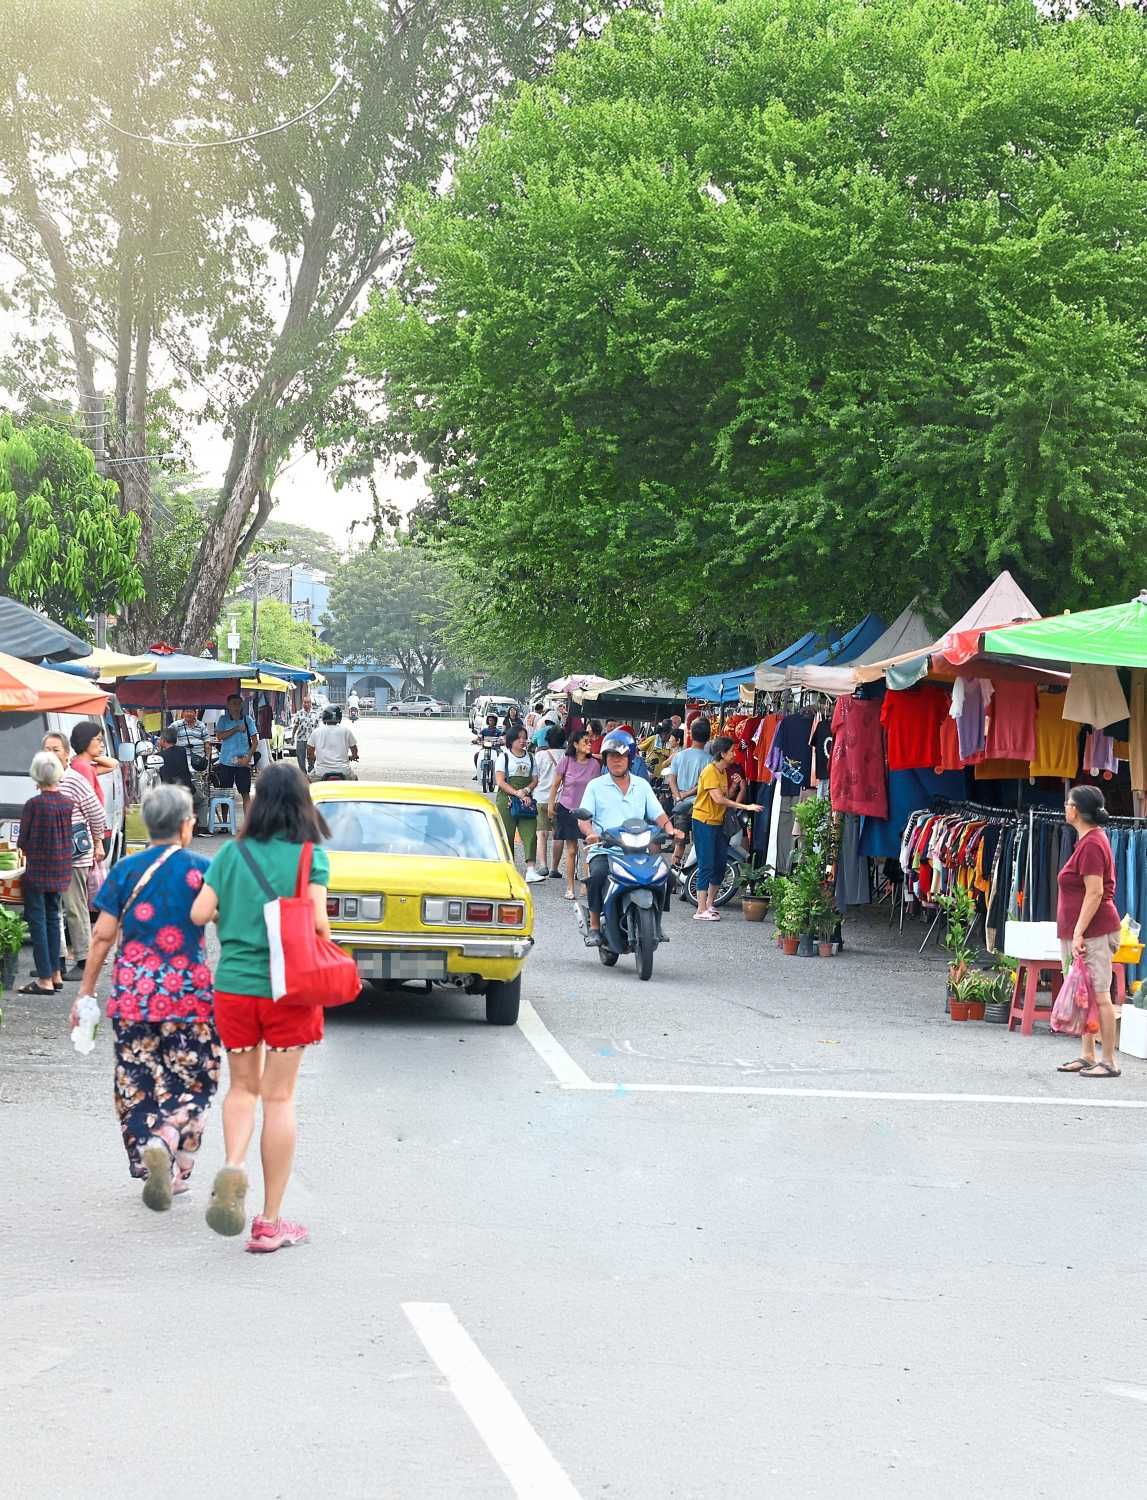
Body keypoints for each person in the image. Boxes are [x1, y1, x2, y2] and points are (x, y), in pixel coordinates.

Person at [191, 763, 334, 1252]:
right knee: (279, 1098)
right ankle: (270, 1223)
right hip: (288, 989)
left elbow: (199, 912)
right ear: (302, 803)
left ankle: (233, 1166)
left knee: (241, 1090)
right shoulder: (309, 858)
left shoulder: (232, 854)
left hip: (234, 985)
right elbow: (317, 926)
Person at [72, 785, 219, 1211]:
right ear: (186, 824)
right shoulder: (201, 870)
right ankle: (172, 1151)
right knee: (195, 1080)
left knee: (135, 1083)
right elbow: (227, 921)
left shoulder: (125, 870)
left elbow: (102, 936)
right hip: (187, 996)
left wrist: (84, 993)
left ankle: (147, 1152)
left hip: (133, 995)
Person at [577, 731, 683, 945]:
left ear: (630, 758)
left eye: (621, 756)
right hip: (605, 849)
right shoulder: (595, 786)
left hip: (637, 849)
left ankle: (655, 921)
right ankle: (595, 927)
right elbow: (583, 817)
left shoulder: (641, 785)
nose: (616, 760)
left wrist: (671, 829)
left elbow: (658, 813)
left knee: (666, 876)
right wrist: (590, 834)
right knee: (597, 876)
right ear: (605, 759)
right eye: (611, 756)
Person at [1056, 785, 1124, 1079]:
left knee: (1099, 993)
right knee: (1084, 993)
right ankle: (1088, 1054)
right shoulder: (1085, 841)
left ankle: (1109, 1060)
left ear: (1076, 810)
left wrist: (1080, 932)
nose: (1065, 808)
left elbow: (1094, 893)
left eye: (1068, 804)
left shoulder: (1093, 844)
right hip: (1082, 930)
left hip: (1093, 931)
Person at [44, 731, 107, 977]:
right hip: (51, 853)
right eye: (46, 749)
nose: (50, 754)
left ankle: (83, 961)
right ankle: (57, 960)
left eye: (56, 749)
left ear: (67, 754)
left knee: (74, 906)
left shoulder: (73, 779)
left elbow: (97, 813)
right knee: (55, 909)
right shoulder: (44, 779)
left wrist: (97, 842)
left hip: (74, 854)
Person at [16, 751, 75, 994]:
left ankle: (44, 979)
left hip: (38, 871)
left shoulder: (34, 805)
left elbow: (23, 841)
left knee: (37, 922)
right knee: (54, 919)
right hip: (61, 870)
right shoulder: (67, 804)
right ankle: (56, 973)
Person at [691, 735, 763, 920]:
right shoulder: (710, 771)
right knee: (706, 864)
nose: (734, 755)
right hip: (704, 822)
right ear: (722, 754)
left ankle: (709, 904)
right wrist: (746, 806)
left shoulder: (724, 773)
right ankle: (700, 909)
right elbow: (718, 799)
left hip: (718, 823)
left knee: (720, 864)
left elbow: (725, 796)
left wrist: (737, 787)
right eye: (731, 751)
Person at [548, 727, 601, 899]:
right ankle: (570, 887)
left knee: (588, 849)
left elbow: (596, 790)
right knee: (571, 850)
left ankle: (585, 884)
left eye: (589, 741)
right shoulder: (567, 760)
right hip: (567, 808)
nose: (588, 744)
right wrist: (550, 805)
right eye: (585, 741)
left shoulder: (594, 765)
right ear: (575, 744)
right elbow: (555, 784)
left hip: (587, 812)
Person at [495, 724, 545, 883]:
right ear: (511, 740)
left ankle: (530, 869)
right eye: (519, 738)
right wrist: (517, 793)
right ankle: (508, 869)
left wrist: (526, 791)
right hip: (507, 799)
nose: (523, 741)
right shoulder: (504, 757)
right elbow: (500, 781)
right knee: (506, 834)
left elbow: (535, 779)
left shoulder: (531, 757)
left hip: (526, 799)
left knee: (530, 832)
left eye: (524, 737)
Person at [214, 693, 258, 816]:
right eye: (233, 704)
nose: (236, 706)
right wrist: (236, 729)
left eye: (238, 704)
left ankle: (248, 823)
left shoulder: (247, 719)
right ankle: (224, 822)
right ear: (228, 705)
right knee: (225, 793)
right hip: (226, 761)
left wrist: (248, 758)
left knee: (245, 793)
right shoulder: (223, 720)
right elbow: (219, 736)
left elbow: (255, 741)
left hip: (243, 761)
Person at [533, 725, 567, 878]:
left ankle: (543, 865)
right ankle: (554, 868)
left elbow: (535, 776)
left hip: (541, 798)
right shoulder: (567, 756)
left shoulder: (540, 756)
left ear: (547, 739)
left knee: (541, 833)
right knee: (558, 834)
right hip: (560, 800)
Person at [172, 709, 211, 833]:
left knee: (198, 796)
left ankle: (198, 827)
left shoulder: (201, 725)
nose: (189, 714)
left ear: (195, 713)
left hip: (198, 767)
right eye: (186, 711)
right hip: (182, 767)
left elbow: (207, 744)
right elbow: (166, 738)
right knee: (198, 797)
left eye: (191, 711)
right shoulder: (176, 725)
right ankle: (200, 827)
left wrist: (207, 761)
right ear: (183, 713)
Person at [69, 719, 116, 806]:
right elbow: (88, 803)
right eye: (98, 739)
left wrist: (92, 756)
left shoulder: (83, 764)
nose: (102, 745)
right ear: (85, 740)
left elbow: (113, 765)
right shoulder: (83, 767)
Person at [307, 705, 359, 780]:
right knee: (354, 779)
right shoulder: (346, 731)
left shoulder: (316, 732)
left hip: (321, 772)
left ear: (324, 717)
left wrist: (315, 757)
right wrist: (354, 756)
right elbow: (354, 749)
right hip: (344, 771)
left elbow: (309, 752)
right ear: (339, 717)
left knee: (308, 782)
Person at [667, 717, 711, 803]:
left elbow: (671, 780)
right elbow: (703, 785)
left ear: (691, 735)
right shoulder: (710, 760)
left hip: (679, 803)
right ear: (708, 737)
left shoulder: (678, 756)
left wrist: (678, 798)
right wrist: (685, 795)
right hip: (699, 805)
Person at [291, 695, 322, 774]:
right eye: (305, 702)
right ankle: (303, 773)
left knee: (311, 757)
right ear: (302, 703)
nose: (306, 704)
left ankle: (311, 770)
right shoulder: (299, 713)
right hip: (301, 739)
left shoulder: (316, 714)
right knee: (300, 758)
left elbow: (318, 729)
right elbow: (295, 726)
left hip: (312, 741)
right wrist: (292, 737)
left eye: (308, 702)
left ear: (311, 703)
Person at [472, 712, 503, 777]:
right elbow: (479, 737)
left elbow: (501, 739)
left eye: (493, 720)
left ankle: (501, 774)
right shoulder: (484, 730)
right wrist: (475, 741)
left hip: (496, 749)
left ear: (495, 721)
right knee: (476, 756)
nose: (491, 722)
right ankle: (478, 773)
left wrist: (501, 742)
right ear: (487, 721)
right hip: (485, 748)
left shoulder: (498, 731)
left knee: (502, 757)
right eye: (490, 720)